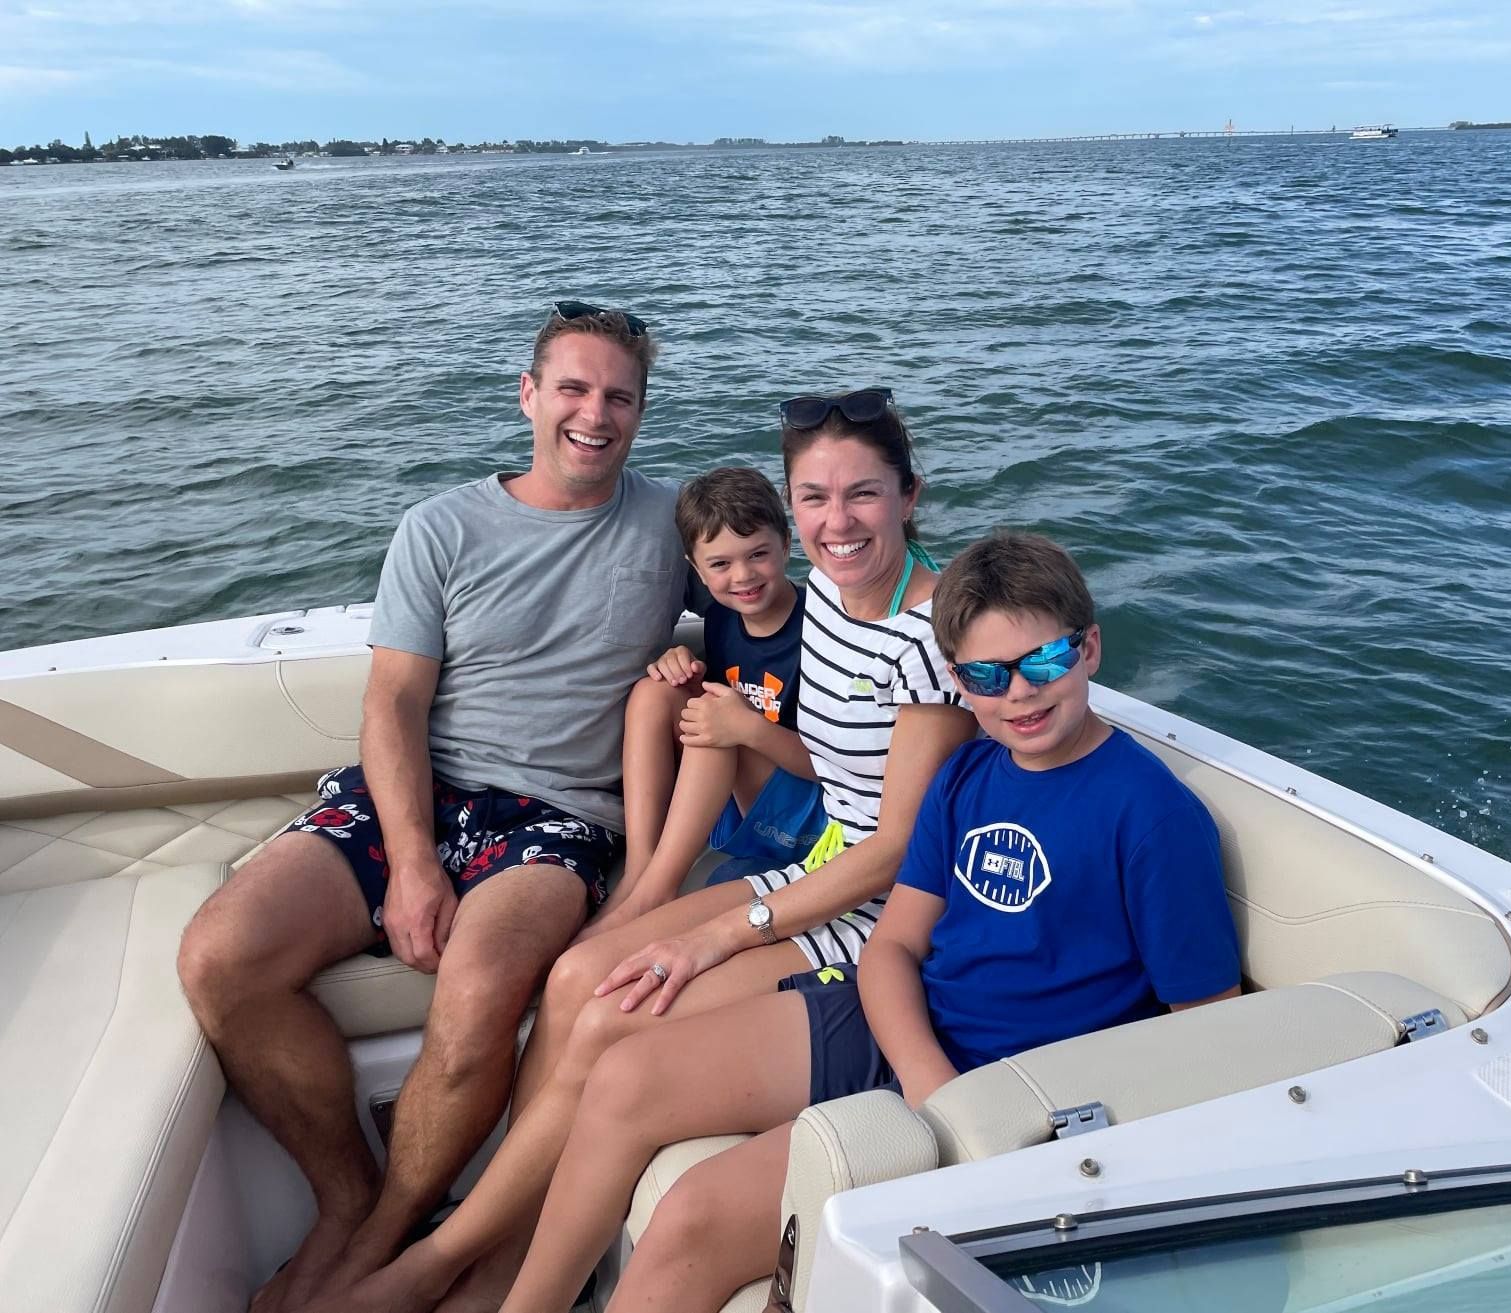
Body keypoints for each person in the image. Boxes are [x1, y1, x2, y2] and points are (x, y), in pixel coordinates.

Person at [310, 388, 977, 1313]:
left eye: (862, 495)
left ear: (909, 495)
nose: (837, 522)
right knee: (580, 971)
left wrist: (720, 934)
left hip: (881, 905)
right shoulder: (826, 587)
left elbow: (898, 849)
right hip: (818, 862)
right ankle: (505, 1242)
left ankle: (465, 1271)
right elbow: (814, 755)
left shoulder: (930, 635)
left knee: (621, 1007)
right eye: (814, 499)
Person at [505, 530, 1242, 1312]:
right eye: (989, 675)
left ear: (1089, 648)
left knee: (694, 1211)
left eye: (1046, 662)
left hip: (1010, 1081)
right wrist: (924, 1072)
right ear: (957, 680)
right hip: (904, 1024)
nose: (1020, 693)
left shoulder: (1152, 814)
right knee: (626, 1074)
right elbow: (892, 946)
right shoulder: (965, 773)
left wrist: (973, 1112)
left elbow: (1204, 1031)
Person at [175, 301, 701, 1313]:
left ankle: (380, 1243)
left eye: (619, 396)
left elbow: (774, 603)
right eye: (574, 388)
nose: (594, 414)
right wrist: (412, 860)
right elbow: (395, 701)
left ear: (641, 411)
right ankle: (346, 1196)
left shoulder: (669, 524)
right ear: (529, 395)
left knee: (477, 992)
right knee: (220, 954)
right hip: (412, 790)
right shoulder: (441, 527)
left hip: (558, 817)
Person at [597, 466, 826, 939]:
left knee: (713, 725)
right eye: (720, 564)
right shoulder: (721, 619)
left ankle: (656, 893)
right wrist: (682, 665)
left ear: (786, 543)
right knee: (653, 692)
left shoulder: (819, 631)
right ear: (695, 568)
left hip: (805, 820)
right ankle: (641, 871)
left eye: (758, 554)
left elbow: (831, 764)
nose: (742, 576)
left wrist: (747, 729)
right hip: (743, 801)